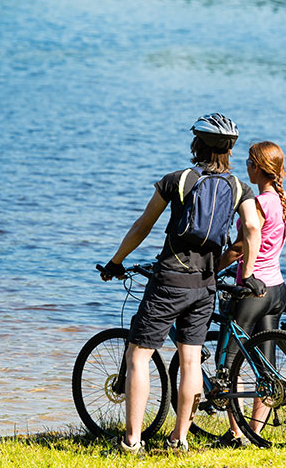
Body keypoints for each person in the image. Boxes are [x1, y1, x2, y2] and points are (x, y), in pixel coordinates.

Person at [100, 113, 265, 454]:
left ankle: (132, 442)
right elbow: (251, 228)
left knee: (139, 355)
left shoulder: (178, 180)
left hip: (169, 280)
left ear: (197, 144)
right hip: (206, 284)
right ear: (230, 149)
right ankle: (180, 439)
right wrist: (247, 273)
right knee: (190, 360)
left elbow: (143, 224)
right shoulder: (239, 188)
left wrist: (116, 261)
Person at [214, 140, 286, 448]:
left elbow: (239, 248)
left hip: (252, 290)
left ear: (258, 167)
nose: (245, 166)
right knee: (266, 367)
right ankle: (255, 433)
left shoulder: (259, 203)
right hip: (276, 289)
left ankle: (237, 434)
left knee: (230, 364)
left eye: (249, 161)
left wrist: (210, 269)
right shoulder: (285, 199)